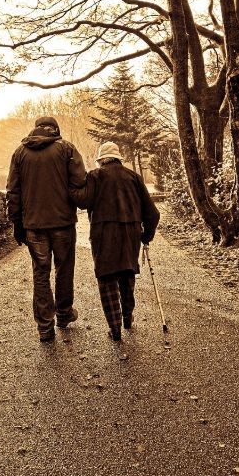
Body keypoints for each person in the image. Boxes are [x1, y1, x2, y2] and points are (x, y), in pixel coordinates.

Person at [6, 116, 87, 342]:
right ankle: (63, 314)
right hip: (63, 223)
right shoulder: (66, 149)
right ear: (55, 129)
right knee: (64, 269)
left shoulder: (20, 153)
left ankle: (45, 327)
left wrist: (16, 223)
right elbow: (80, 182)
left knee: (40, 274)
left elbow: (13, 191)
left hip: (34, 226)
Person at [70, 142, 160, 341]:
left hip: (104, 233)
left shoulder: (95, 176)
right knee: (127, 274)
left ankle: (115, 328)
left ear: (101, 160)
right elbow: (153, 214)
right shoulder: (134, 177)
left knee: (107, 278)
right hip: (130, 232)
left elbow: (83, 201)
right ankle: (127, 318)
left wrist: (68, 183)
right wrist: (146, 236)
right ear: (119, 158)